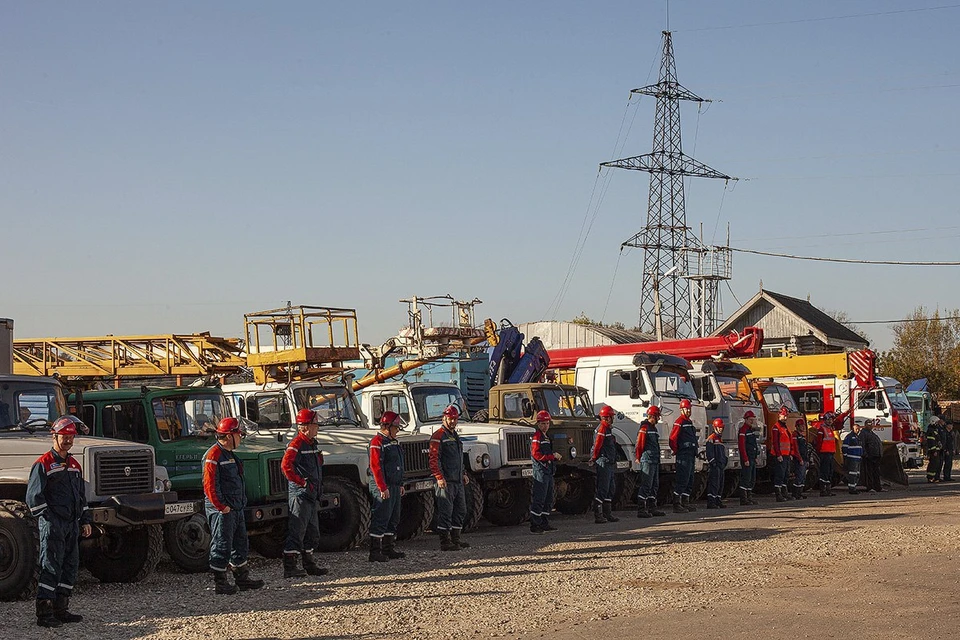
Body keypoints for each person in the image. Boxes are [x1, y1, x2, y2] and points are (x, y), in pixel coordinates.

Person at [25, 415, 92, 627]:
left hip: (72, 525)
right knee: (51, 566)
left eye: (71, 437)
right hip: (53, 525)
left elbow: (81, 496)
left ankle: (61, 609)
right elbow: (34, 497)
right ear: (54, 436)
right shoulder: (43, 464)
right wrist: (49, 520)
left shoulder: (74, 465)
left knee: (70, 566)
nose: (69, 440)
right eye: (65, 436)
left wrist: (85, 520)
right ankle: (44, 614)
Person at [203, 417, 264, 595]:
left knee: (240, 543)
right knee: (222, 543)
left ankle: (241, 578)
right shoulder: (214, 455)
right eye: (239, 435)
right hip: (224, 509)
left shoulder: (228, 454)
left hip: (234, 508)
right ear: (229, 436)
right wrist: (221, 506)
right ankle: (220, 583)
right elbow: (209, 485)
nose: (241, 438)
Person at [281, 408, 329, 577]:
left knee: (312, 532)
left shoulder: (311, 444)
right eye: (315, 424)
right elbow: (286, 467)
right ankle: (290, 567)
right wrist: (302, 483)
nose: (317, 428)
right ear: (305, 427)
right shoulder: (296, 445)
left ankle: (309, 563)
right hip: (301, 495)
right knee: (297, 531)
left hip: (311, 494)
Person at [429, 404, 471, 551]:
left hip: (457, 480)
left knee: (461, 510)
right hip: (445, 481)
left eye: (455, 419)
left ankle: (456, 539)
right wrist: (439, 477)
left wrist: (463, 473)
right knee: (445, 511)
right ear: (444, 418)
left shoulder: (454, 435)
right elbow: (434, 458)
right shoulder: (439, 435)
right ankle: (445, 541)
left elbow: (458, 458)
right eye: (450, 418)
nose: (453, 421)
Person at [368, 410, 406, 560]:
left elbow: (399, 464)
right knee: (381, 516)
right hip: (384, 486)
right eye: (396, 428)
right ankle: (375, 551)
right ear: (388, 427)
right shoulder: (377, 443)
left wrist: (400, 483)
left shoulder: (393, 442)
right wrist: (382, 487)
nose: (397, 431)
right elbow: (376, 467)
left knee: (393, 517)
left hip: (394, 485)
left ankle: (388, 548)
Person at [530, 410, 561, 534]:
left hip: (548, 471)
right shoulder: (537, 437)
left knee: (548, 498)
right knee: (540, 497)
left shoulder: (546, 437)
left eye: (547, 423)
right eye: (543, 424)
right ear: (538, 424)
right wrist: (551, 457)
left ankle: (544, 522)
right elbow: (536, 454)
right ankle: (535, 524)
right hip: (541, 471)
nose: (545, 426)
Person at [635, 405, 666, 518]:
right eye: (657, 416)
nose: (658, 419)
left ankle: (652, 508)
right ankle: (641, 510)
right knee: (646, 485)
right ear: (652, 416)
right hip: (647, 460)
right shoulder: (644, 429)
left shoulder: (653, 429)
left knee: (654, 485)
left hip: (654, 460)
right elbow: (639, 444)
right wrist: (638, 457)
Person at [590, 405, 619, 523]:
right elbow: (597, 445)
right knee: (603, 488)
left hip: (609, 461)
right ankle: (598, 514)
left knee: (610, 488)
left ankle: (607, 513)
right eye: (611, 417)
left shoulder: (607, 429)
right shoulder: (602, 429)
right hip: (604, 461)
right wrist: (594, 457)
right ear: (607, 418)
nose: (613, 419)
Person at [669, 398, 699, 513]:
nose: (688, 411)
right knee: (683, 478)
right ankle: (677, 504)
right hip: (684, 454)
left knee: (690, 479)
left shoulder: (689, 422)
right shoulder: (680, 422)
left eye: (689, 409)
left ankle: (685, 502)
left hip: (690, 454)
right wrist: (677, 450)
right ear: (681, 409)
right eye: (686, 409)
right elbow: (672, 439)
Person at [737, 410, 760, 506]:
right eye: (750, 419)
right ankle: (744, 499)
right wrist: (745, 459)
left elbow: (753, 445)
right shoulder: (743, 431)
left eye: (753, 419)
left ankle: (749, 497)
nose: (752, 421)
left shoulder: (750, 430)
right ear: (746, 420)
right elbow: (742, 446)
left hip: (751, 458)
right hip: (747, 459)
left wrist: (755, 457)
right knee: (746, 478)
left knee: (751, 478)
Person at [813, 412, 838, 497]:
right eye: (829, 419)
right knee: (824, 472)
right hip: (824, 453)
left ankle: (828, 490)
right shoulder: (822, 429)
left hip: (830, 453)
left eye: (831, 419)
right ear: (825, 420)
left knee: (829, 472)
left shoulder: (830, 429)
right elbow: (819, 442)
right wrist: (819, 452)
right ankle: (823, 490)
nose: (830, 421)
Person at [771, 407, 793, 502]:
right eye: (784, 415)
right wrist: (778, 454)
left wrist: (790, 453)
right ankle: (778, 494)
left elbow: (789, 441)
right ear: (779, 415)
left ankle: (784, 492)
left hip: (786, 455)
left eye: (786, 416)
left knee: (785, 475)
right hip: (780, 455)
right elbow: (775, 442)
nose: (785, 417)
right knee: (779, 474)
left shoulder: (785, 427)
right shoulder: (776, 427)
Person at [705, 418, 728, 509]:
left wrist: (725, 461)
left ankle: (718, 500)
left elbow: (723, 453)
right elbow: (709, 452)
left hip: (721, 466)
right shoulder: (711, 439)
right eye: (719, 428)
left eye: (722, 428)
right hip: (715, 466)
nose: (721, 429)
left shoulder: (720, 440)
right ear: (715, 428)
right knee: (714, 484)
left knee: (720, 484)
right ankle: (711, 502)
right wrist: (713, 462)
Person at [859, 419, 884, 493]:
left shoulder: (872, 433)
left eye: (871, 424)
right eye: (869, 424)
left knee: (876, 473)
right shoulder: (863, 433)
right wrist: (865, 455)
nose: (870, 426)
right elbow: (862, 445)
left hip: (876, 456)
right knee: (869, 473)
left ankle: (878, 487)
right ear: (865, 425)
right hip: (869, 456)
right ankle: (870, 487)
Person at [789, 419, 809, 499]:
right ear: (797, 427)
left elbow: (805, 448)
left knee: (803, 477)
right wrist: (800, 459)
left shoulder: (802, 436)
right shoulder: (795, 435)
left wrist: (806, 460)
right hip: (798, 459)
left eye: (803, 425)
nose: (803, 427)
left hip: (803, 459)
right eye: (801, 425)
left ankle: (800, 493)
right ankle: (795, 493)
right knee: (799, 476)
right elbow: (796, 448)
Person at [841, 422, 863, 495]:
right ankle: (851, 488)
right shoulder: (849, 437)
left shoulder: (858, 437)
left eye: (858, 429)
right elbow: (844, 447)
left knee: (857, 474)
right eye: (856, 428)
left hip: (858, 458)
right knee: (852, 474)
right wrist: (846, 456)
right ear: (852, 428)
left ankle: (854, 487)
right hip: (852, 458)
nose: (858, 430)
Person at [925, 416, 944, 483]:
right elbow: (931, 442)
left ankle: (935, 477)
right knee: (933, 464)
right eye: (936, 422)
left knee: (936, 464)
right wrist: (934, 451)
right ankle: (930, 477)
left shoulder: (934, 430)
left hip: (937, 450)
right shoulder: (931, 431)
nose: (937, 424)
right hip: (934, 451)